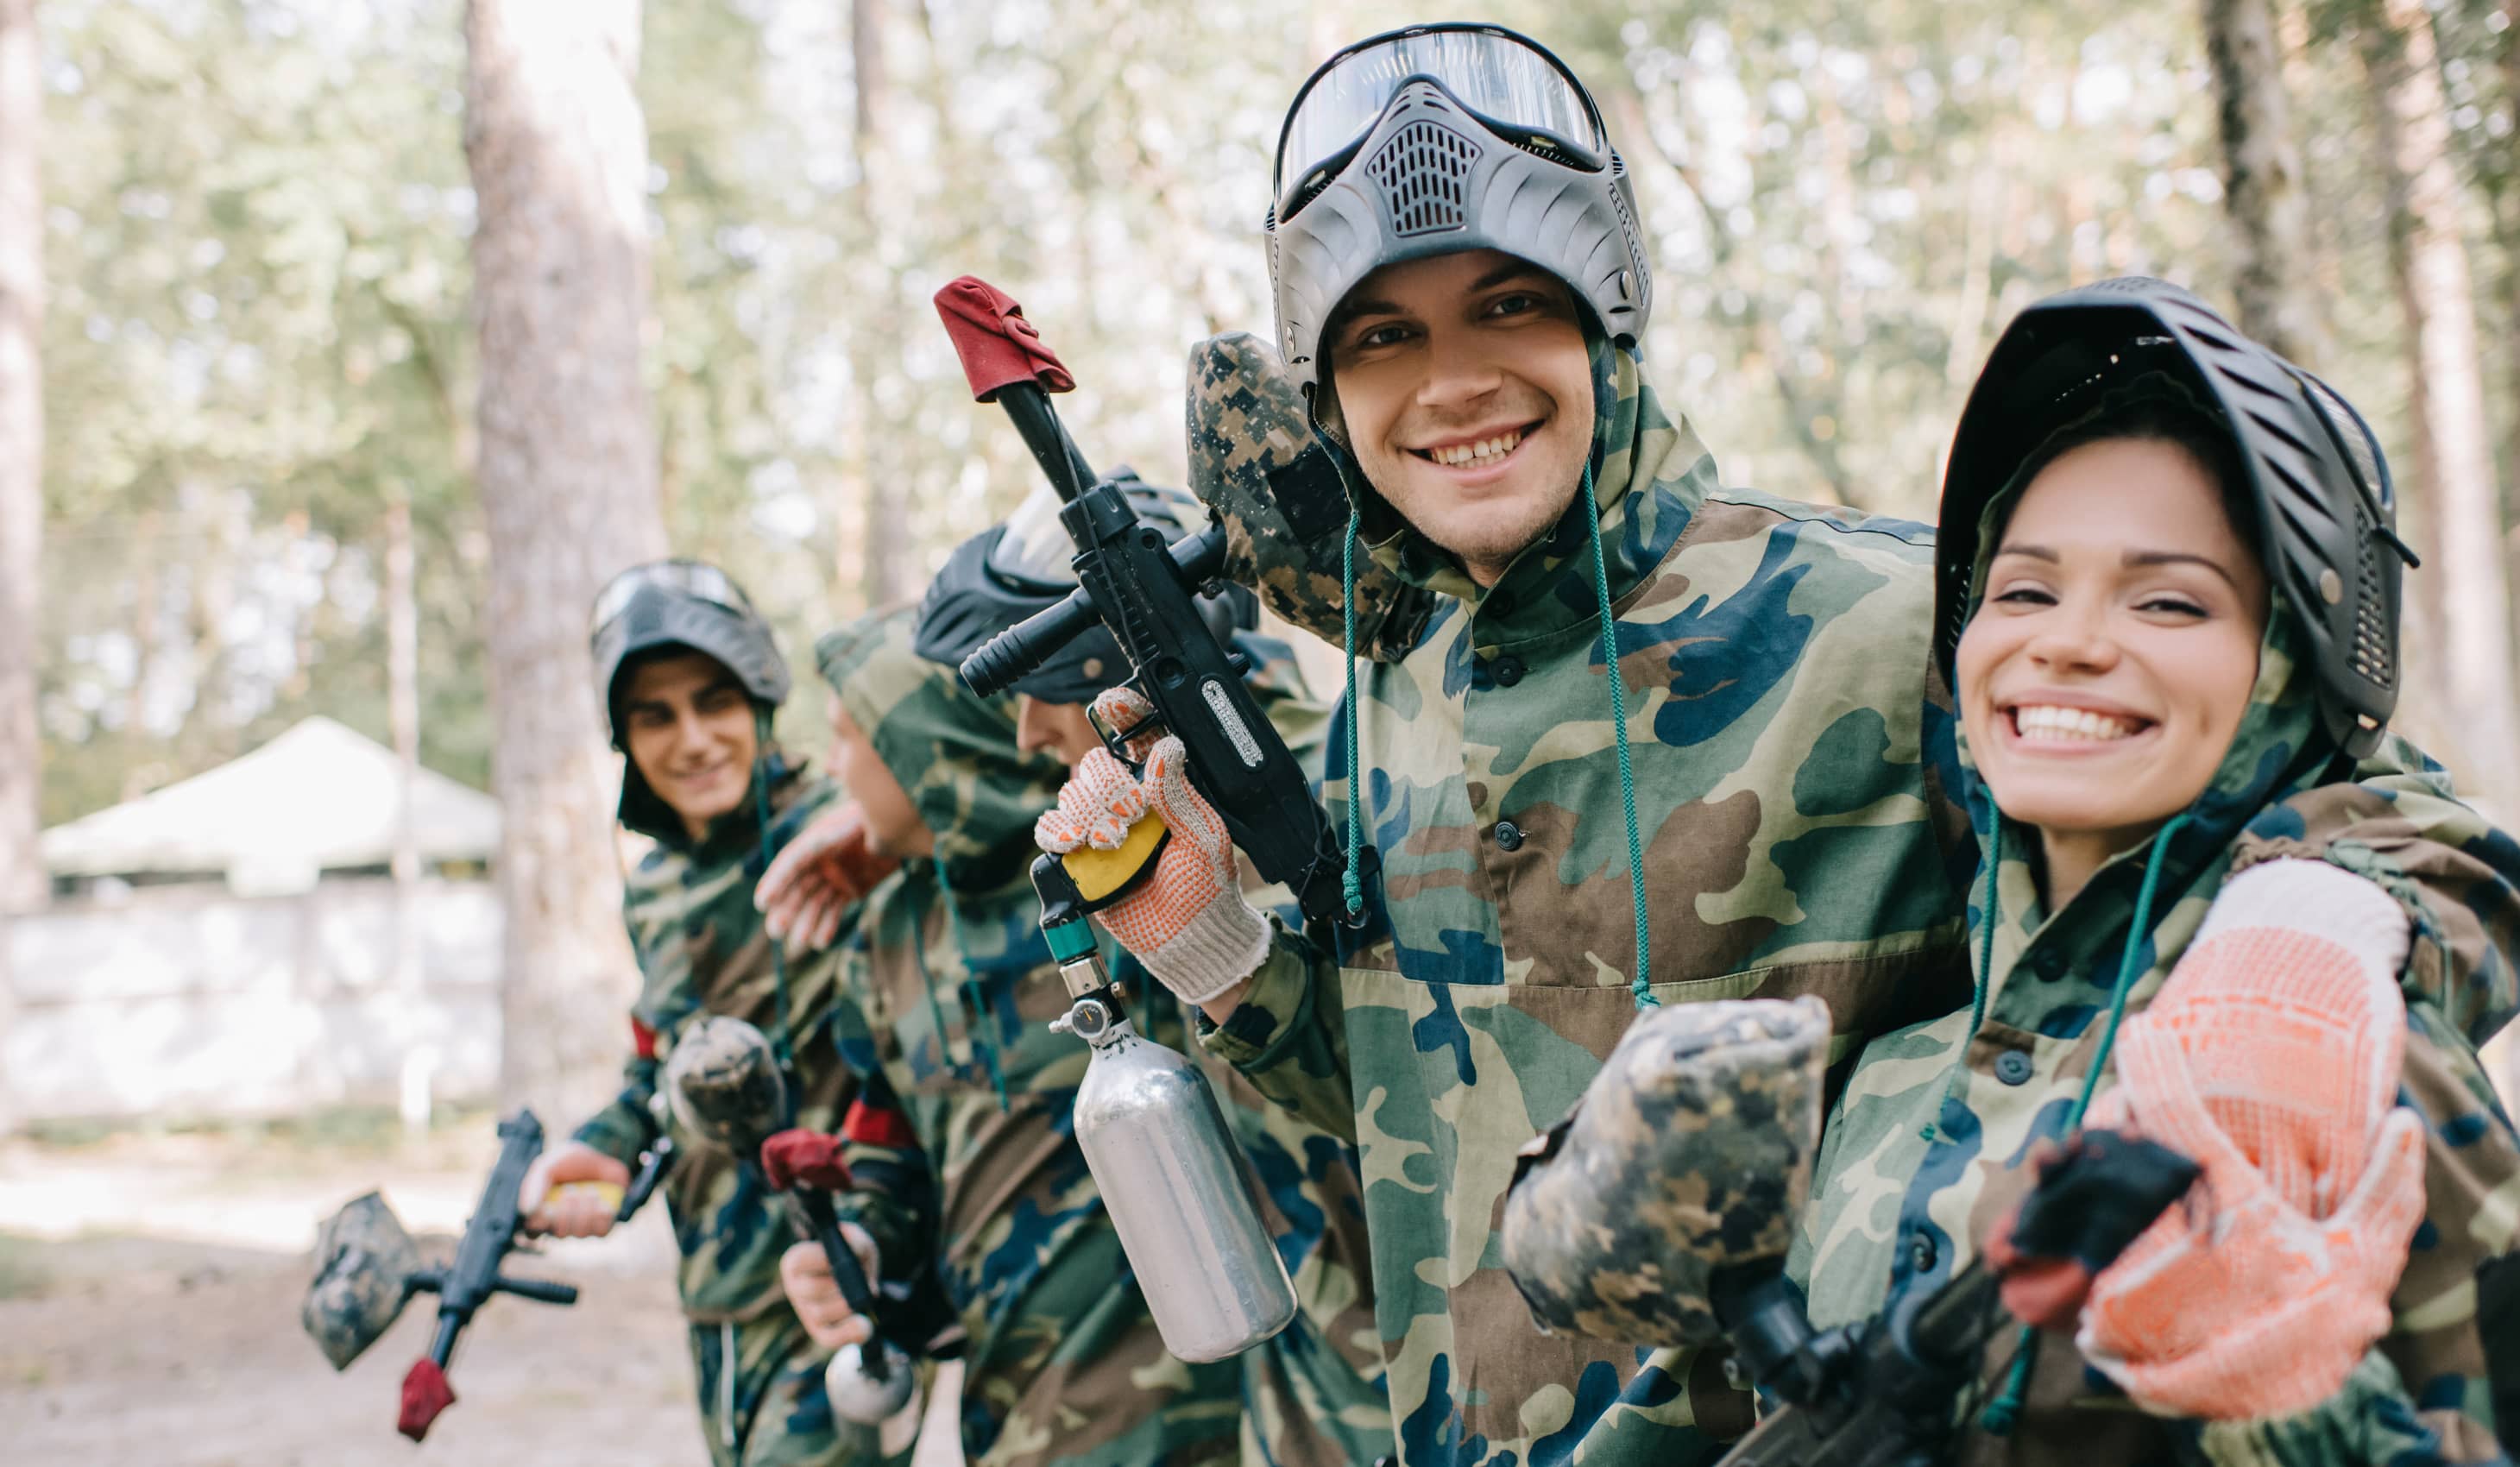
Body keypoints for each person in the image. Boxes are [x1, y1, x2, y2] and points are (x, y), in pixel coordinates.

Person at [1042, 25, 1982, 1463]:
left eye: (1507, 307)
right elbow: (1414, 1116)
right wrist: (1217, 953)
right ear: (1328, 396)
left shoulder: (1893, 617)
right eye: (1385, 336)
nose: (1454, 382)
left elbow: (2335, 839)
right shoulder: (1400, 695)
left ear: (1605, 315)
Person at [1789, 280, 2520, 1464]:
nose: (2069, 640)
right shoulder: (1890, 1075)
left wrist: (2289, 1404)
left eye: (2170, 600)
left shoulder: (2323, 1066)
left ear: (2288, 664)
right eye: (2023, 588)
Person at [906, 470, 1393, 1465]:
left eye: (1043, 690)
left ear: (1111, 658)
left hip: (1402, 1404)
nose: (1029, 732)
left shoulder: (1336, 798)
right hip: (1287, 1411)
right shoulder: (1159, 827)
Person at [780, 603, 1244, 1466]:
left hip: (1207, 1417)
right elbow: (886, 1147)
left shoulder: (1121, 874)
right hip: (1011, 1423)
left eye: (850, 736)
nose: (834, 769)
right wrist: (864, 1240)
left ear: (923, 747)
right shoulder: (886, 937)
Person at [515, 559, 930, 1467]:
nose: (692, 739)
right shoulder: (656, 885)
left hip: (834, 1275)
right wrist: (607, 1142)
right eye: (654, 715)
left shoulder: (849, 833)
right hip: (715, 1295)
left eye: (715, 701)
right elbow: (658, 1062)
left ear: (760, 701)